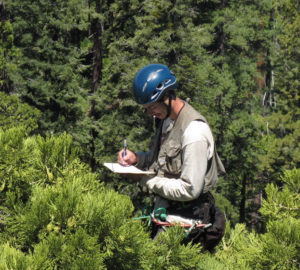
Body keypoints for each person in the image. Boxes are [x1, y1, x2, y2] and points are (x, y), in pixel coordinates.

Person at [118, 63, 226, 251]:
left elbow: (190, 189)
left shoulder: (194, 132)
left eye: (152, 107)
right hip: (166, 212)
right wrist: (137, 159)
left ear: (168, 96)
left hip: (187, 222)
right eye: (146, 108)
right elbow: (161, 160)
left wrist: (145, 180)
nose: (149, 113)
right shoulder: (166, 120)